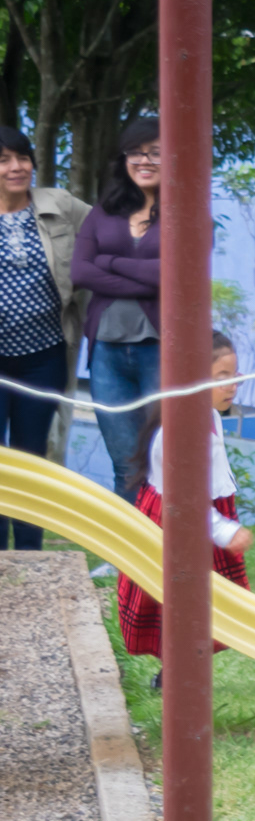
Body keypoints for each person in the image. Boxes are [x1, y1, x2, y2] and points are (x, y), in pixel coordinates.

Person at [116, 331, 254, 682]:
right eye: (222, 377)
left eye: (234, 376)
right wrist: (224, 530)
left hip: (202, 514)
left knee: (207, 603)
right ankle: (175, 676)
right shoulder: (180, 431)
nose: (232, 386)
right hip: (181, 523)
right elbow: (186, 501)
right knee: (181, 599)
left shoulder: (208, 415)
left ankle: (182, 669)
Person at [0, 124, 90, 550]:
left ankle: (30, 553)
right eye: (4, 160)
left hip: (44, 356)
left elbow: (108, 228)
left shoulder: (59, 204)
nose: (16, 167)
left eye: (22, 158)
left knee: (31, 456)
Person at [71, 117, 165, 501]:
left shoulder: (187, 213)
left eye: (156, 152)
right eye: (136, 152)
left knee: (164, 459)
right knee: (125, 463)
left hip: (161, 349)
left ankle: (165, 540)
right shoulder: (103, 212)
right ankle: (126, 542)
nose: (145, 160)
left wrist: (109, 262)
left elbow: (175, 275)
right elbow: (80, 271)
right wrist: (148, 281)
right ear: (123, 159)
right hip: (106, 350)